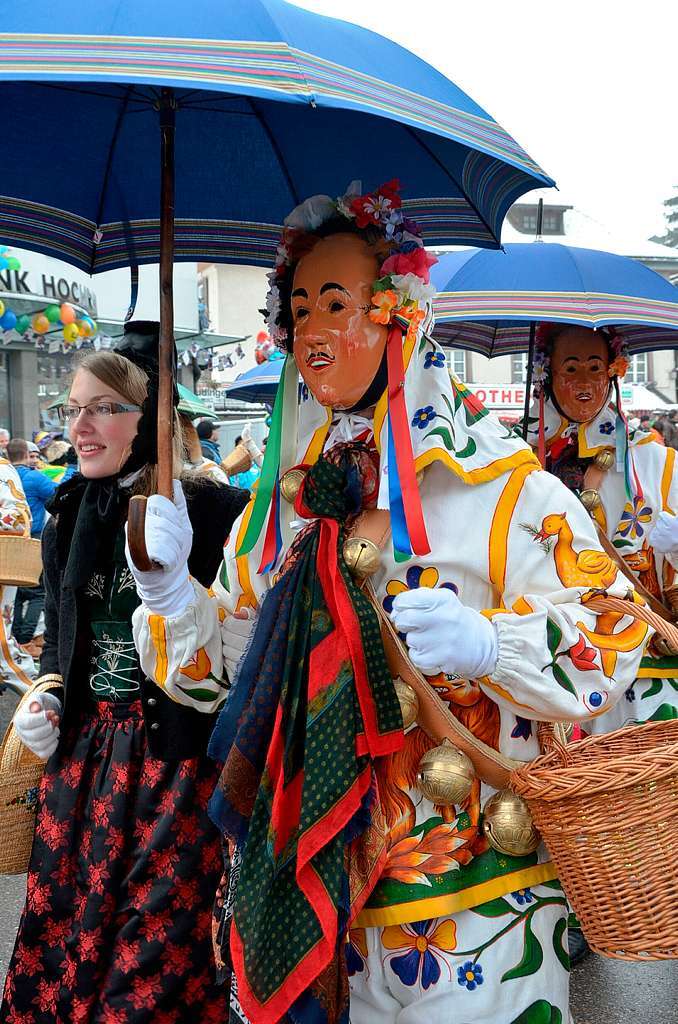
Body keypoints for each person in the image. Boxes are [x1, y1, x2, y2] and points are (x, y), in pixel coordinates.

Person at [129, 182, 648, 1024]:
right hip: (320, 882)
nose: (311, 333)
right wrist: (170, 592)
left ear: (398, 316)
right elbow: (234, 677)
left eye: (337, 302)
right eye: (299, 308)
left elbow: (610, 629)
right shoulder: (286, 497)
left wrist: (490, 644)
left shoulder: (501, 485)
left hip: (477, 898)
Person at [1, 321, 249, 1023]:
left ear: (153, 419)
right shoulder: (68, 511)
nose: (80, 425)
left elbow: (236, 656)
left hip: (176, 764)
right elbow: (60, 639)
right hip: (82, 765)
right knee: (65, 941)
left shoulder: (215, 510)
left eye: (103, 407)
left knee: (151, 961)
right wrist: (44, 703)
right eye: (73, 408)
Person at [525, 323, 678, 731]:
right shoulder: (518, 455)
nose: (584, 383)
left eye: (595, 368)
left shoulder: (651, 461)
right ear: (547, 373)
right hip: (545, 654)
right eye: (570, 369)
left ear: (613, 372)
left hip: (635, 660)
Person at [7, 438, 56, 655]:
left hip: (7, 540)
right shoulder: (34, 476)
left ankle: (14, 636)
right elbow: (58, 496)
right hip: (32, 538)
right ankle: (26, 638)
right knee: (37, 591)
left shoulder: (5, 475)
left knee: (14, 590)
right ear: (27, 454)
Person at [0, 452, 37, 689]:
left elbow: (19, 518)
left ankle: (48, 700)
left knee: (3, 651)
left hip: (2, 564)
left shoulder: (2, 470)